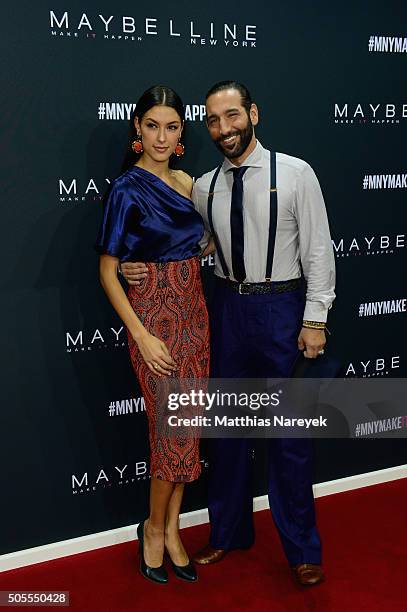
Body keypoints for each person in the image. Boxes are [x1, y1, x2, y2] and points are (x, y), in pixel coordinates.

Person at [121, 81, 336, 587]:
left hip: (284, 309)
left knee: (290, 438)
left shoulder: (296, 172)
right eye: (214, 121)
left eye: (232, 116)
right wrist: (133, 263)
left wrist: (315, 318)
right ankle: (228, 532)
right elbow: (186, 241)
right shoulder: (204, 186)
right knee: (229, 433)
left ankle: (302, 550)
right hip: (226, 309)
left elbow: (320, 250)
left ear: (253, 114)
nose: (224, 129)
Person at [95, 85, 210, 584]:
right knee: (171, 431)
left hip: (195, 315)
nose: (161, 136)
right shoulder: (126, 188)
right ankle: (153, 529)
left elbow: (202, 246)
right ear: (136, 130)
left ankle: (173, 526)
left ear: (182, 132)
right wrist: (140, 334)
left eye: (172, 126)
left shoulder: (188, 182)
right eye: (152, 126)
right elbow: (106, 270)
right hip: (154, 321)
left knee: (188, 431)